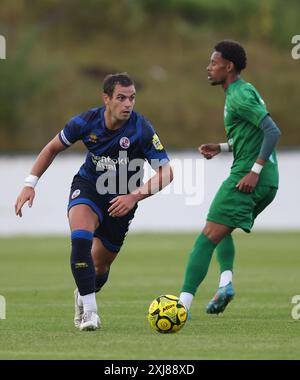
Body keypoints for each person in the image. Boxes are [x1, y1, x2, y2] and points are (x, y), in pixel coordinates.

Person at [15, 73, 173, 331]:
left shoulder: (141, 129)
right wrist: (29, 184)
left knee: (99, 267)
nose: (128, 104)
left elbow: (167, 173)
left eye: (132, 98)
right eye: (121, 98)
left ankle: (83, 293)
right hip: (88, 187)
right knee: (80, 241)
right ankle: (90, 313)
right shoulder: (86, 122)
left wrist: (134, 196)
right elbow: (51, 148)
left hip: (122, 199)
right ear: (106, 99)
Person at [179, 40, 281, 315]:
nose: (208, 67)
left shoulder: (239, 95)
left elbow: (272, 131)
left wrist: (253, 171)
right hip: (267, 180)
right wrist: (223, 147)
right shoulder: (243, 91)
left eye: (213, 63)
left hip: (250, 177)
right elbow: (253, 135)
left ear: (229, 66)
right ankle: (225, 284)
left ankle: (180, 307)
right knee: (221, 228)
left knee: (207, 236)